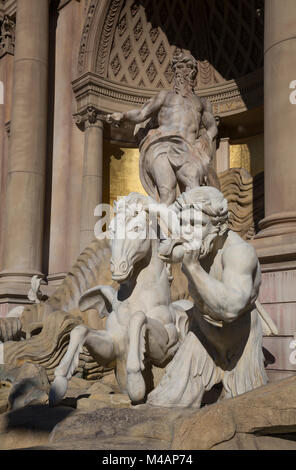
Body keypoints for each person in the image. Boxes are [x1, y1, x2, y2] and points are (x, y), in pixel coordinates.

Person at [147, 186, 269, 408]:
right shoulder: (197, 249)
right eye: (184, 224)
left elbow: (231, 308)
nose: (188, 233)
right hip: (202, 337)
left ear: (220, 227)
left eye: (197, 225)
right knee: (163, 405)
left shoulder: (239, 253)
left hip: (240, 343)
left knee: (244, 413)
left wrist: (193, 268)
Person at [107, 50, 219, 206]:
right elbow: (141, 114)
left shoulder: (202, 103)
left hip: (188, 151)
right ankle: (154, 226)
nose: (185, 73)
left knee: (194, 187)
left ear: (194, 73)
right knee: (168, 195)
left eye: (189, 68)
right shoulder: (165, 96)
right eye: (181, 69)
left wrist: (206, 137)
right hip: (162, 146)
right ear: (176, 74)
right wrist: (123, 116)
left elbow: (212, 127)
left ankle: (190, 227)